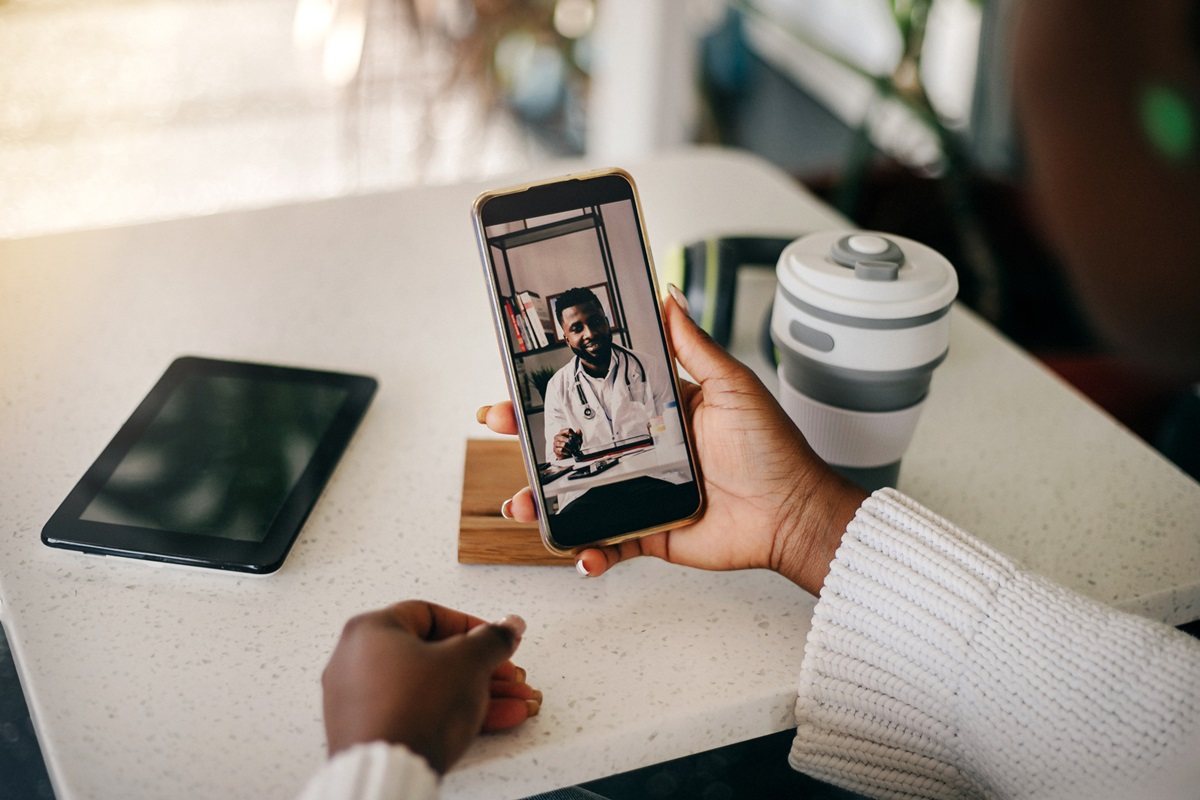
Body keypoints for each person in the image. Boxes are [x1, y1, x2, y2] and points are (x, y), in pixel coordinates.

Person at [300, 2, 1200, 798]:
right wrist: (803, 520)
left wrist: (384, 757)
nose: (1037, 93)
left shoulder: (643, 370)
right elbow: (1155, 730)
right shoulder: (571, 386)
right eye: (565, 329)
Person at [537, 286, 697, 543]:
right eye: (577, 329)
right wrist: (560, 448)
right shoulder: (558, 386)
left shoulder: (650, 367)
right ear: (566, 338)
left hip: (652, 480)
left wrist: (663, 431)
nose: (590, 334)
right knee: (564, 529)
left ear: (607, 322)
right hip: (592, 491)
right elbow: (553, 460)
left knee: (687, 501)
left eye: (596, 322)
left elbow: (677, 438)